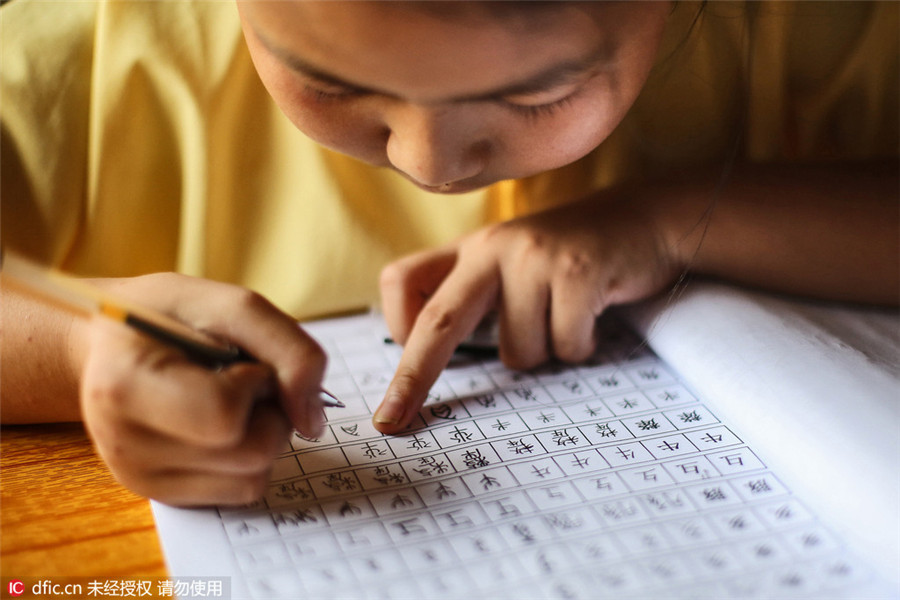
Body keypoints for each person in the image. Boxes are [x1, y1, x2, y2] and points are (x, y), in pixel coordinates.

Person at [2, 0, 897, 506]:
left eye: (544, 93)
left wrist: (678, 219)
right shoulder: (94, 57)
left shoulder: (826, 32)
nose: (426, 163)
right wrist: (79, 342)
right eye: (328, 79)